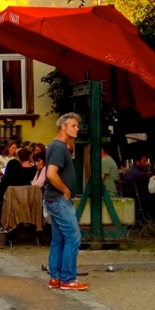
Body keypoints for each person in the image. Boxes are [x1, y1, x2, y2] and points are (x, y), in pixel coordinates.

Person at [44, 112, 88, 291]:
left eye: (77, 126)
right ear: (63, 127)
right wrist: (65, 190)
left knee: (59, 239)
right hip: (59, 200)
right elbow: (51, 174)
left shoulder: (56, 146)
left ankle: (55, 278)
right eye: (73, 126)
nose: (77, 129)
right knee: (73, 237)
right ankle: (68, 279)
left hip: (53, 199)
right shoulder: (60, 147)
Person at [0, 148, 38, 225]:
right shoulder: (35, 169)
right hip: (30, 201)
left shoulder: (12, 166)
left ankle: (3, 221)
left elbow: (2, 187)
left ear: (18, 158)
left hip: (10, 201)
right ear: (29, 157)